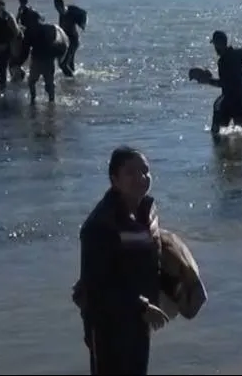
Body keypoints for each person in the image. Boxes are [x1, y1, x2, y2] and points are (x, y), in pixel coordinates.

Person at [73, 147, 169, 375]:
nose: (141, 178)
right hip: (108, 325)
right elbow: (96, 288)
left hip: (138, 320)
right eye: (131, 173)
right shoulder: (100, 225)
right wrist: (141, 305)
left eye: (145, 171)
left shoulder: (145, 213)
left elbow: (147, 260)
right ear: (114, 179)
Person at [196, 30, 242, 140]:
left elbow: (224, 83)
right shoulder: (239, 53)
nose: (215, 48)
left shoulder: (223, 61)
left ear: (219, 44)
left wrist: (208, 81)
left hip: (229, 98)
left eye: (215, 45)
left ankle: (219, 152)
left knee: (216, 127)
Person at [19, 11, 67, 104]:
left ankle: (33, 100)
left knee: (32, 81)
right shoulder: (49, 28)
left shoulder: (30, 31)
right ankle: (51, 101)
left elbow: (25, 49)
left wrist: (19, 62)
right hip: (49, 59)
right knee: (49, 82)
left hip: (37, 59)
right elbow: (58, 43)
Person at [54, 0, 87, 78]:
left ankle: (71, 81)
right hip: (66, 42)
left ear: (61, 5)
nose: (58, 11)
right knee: (69, 63)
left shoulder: (71, 10)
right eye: (56, 8)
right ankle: (72, 81)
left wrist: (83, 24)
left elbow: (84, 13)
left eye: (58, 8)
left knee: (63, 64)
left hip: (73, 42)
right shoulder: (61, 14)